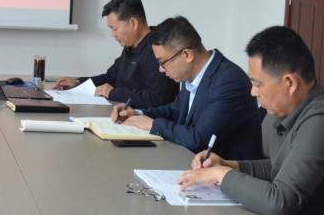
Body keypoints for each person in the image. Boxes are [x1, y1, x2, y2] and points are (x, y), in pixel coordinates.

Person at [177, 26, 324, 215]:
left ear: (289, 83)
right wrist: (229, 165)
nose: (253, 92)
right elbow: (280, 167)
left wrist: (220, 175)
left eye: (257, 84)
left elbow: (280, 202)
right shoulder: (285, 107)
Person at [111, 16, 262, 160]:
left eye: (162, 62)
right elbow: (175, 110)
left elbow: (197, 139)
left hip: (225, 172)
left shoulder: (229, 82)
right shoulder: (192, 74)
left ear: (187, 55)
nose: (161, 70)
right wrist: (137, 113)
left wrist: (153, 124)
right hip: (192, 162)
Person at [54, 0, 177, 108]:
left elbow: (158, 99)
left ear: (133, 23)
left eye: (114, 28)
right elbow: (110, 78)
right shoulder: (130, 46)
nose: (113, 35)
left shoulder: (159, 49)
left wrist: (113, 93)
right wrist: (78, 83)